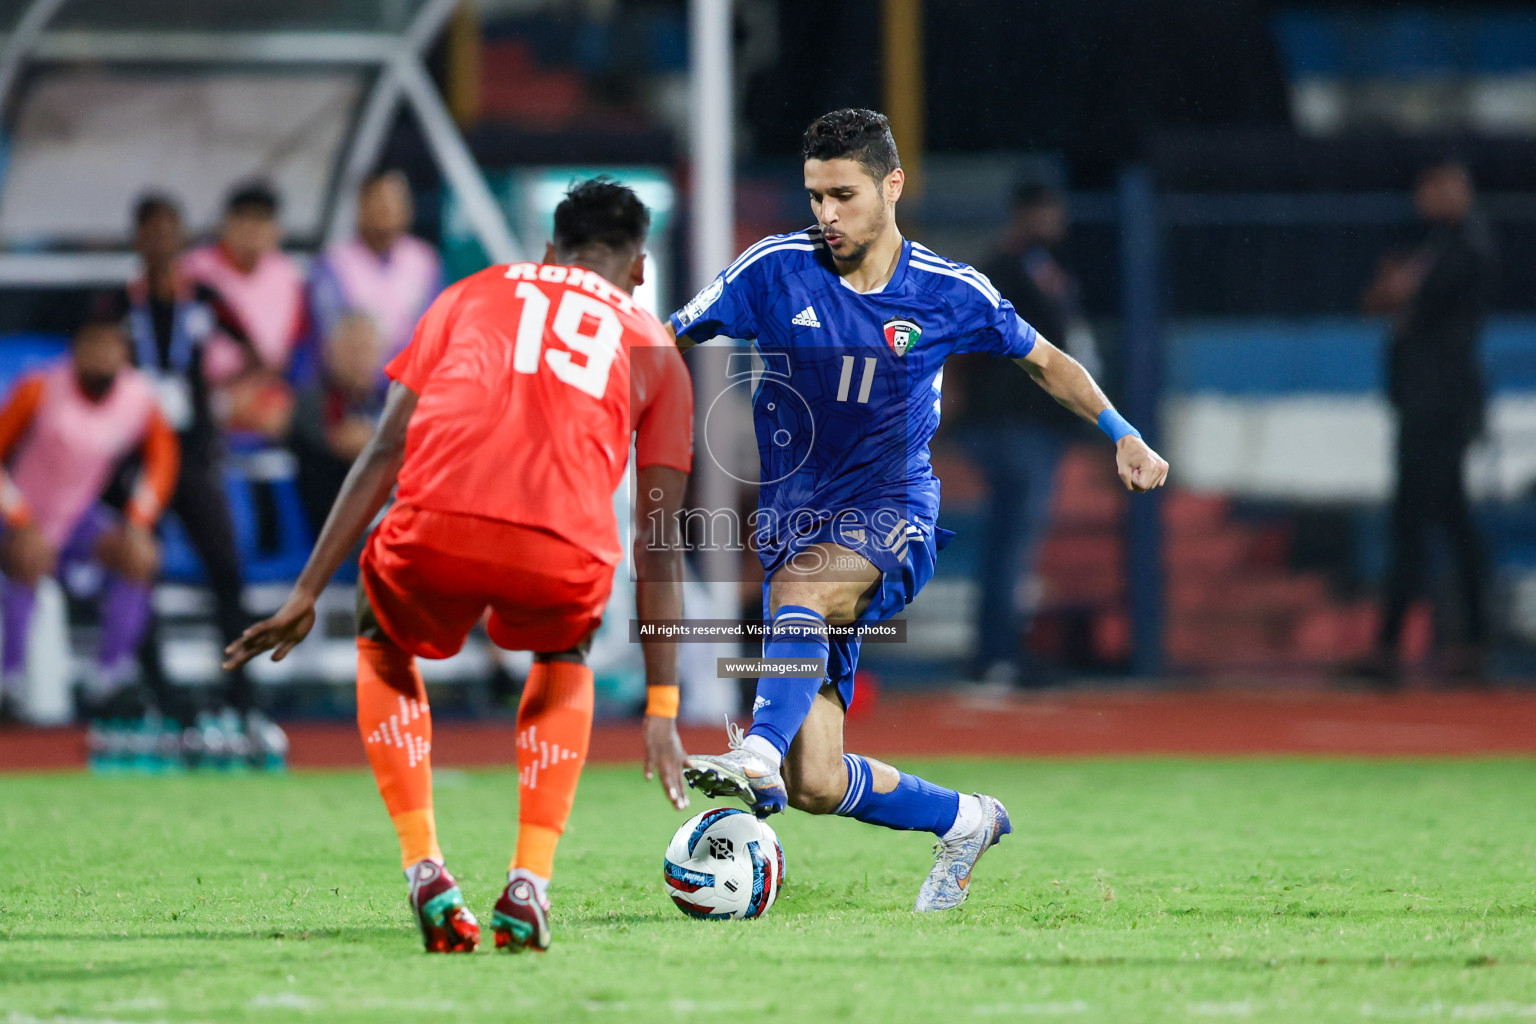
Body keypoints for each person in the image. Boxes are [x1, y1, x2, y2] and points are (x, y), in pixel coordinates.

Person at [670, 109, 1168, 912]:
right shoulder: (771, 272)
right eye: (814, 196)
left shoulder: (946, 291)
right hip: (793, 528)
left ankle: (756, 747)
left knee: (803, 596)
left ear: (891, 185)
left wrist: (1123, 431)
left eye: (843, 194)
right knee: (818, 783)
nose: (825, 214)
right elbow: (665, 338)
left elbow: (1046, 361)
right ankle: (966, 819)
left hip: (891, 516)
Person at [224, 178, 696, 954]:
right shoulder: (655, 346)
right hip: (561, 549)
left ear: (548, 251)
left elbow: (384, 447)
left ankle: (425, 869)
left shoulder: (468, 293)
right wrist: (663, 702)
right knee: (561, 650)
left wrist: (307, 591)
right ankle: (529, 882)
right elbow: (658, 539)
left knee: (384, 633)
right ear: (639, 269)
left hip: (436, 528)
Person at [96, 195, 283, 753]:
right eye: (149, 231)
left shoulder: (201, 298)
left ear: (180, 240)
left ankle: (240, 688)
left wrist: (225, 398)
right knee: (139, 569)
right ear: (137, 238)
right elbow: (88, 359)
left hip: (194, 455)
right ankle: (156, 687)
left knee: (226, 569)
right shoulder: (113, 305)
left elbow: (258, 352)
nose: (159, 242)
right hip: (136, 456)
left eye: (168, 232)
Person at [949, 181, 1102, 687]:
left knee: (1015, 543)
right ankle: (997, 652)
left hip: (1036, 423)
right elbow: (965, 345)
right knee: (1010, 542)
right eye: (1047, 208)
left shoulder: (1043, 268)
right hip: (1008, 422)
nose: (1057, 219)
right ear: (1026, 212)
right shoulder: (1001, 269)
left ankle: (1003, 649)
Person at [0, 319, 178, 719]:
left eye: (109, 347)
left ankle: (108, 679)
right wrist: (21, 519)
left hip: (76, 519)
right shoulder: (41, 388)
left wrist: (138, 520)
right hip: (20, 511)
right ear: (75, 351)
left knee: (139, 555)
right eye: (92, 346)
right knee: (28, 558)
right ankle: (8, 682)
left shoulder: (138, 399)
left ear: (124, 354)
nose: (101, 356)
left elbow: (162, 461)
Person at [1359, 159, 1494, 681]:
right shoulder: (1434, 247)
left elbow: (1396, 297)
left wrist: (1398, 292)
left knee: (1425, 523)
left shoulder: (1466, 247)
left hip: (1440, 406)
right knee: (1434, 521)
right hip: (1425, 403)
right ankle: (1441, 641)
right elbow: (1378, 300)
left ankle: (1411, 644)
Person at [182, 181, 306, 436]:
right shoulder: (195, 270)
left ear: (277, 230)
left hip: (266, 390)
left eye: (262, 220)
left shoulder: (286, 274)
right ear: (225, 224)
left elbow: (290, 349)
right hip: (206, 391)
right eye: (244, 218)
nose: (252, 229)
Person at [309, 170, 444, 367]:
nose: (387, 209)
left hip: (410, 379)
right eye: (379, 200)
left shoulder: (425, 261)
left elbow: (434, 331)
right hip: (352, 381)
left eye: (395, 201)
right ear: (361, 207)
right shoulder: (334, 262)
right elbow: (330, 332)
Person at [290, 312, 386, 538]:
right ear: (330, 352)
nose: (360, 359)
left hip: (379, 512)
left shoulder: (379, 399)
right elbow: (346, 441)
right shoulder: (313, 400)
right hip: (334, 525)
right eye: (353, 349)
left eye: (367, 349)